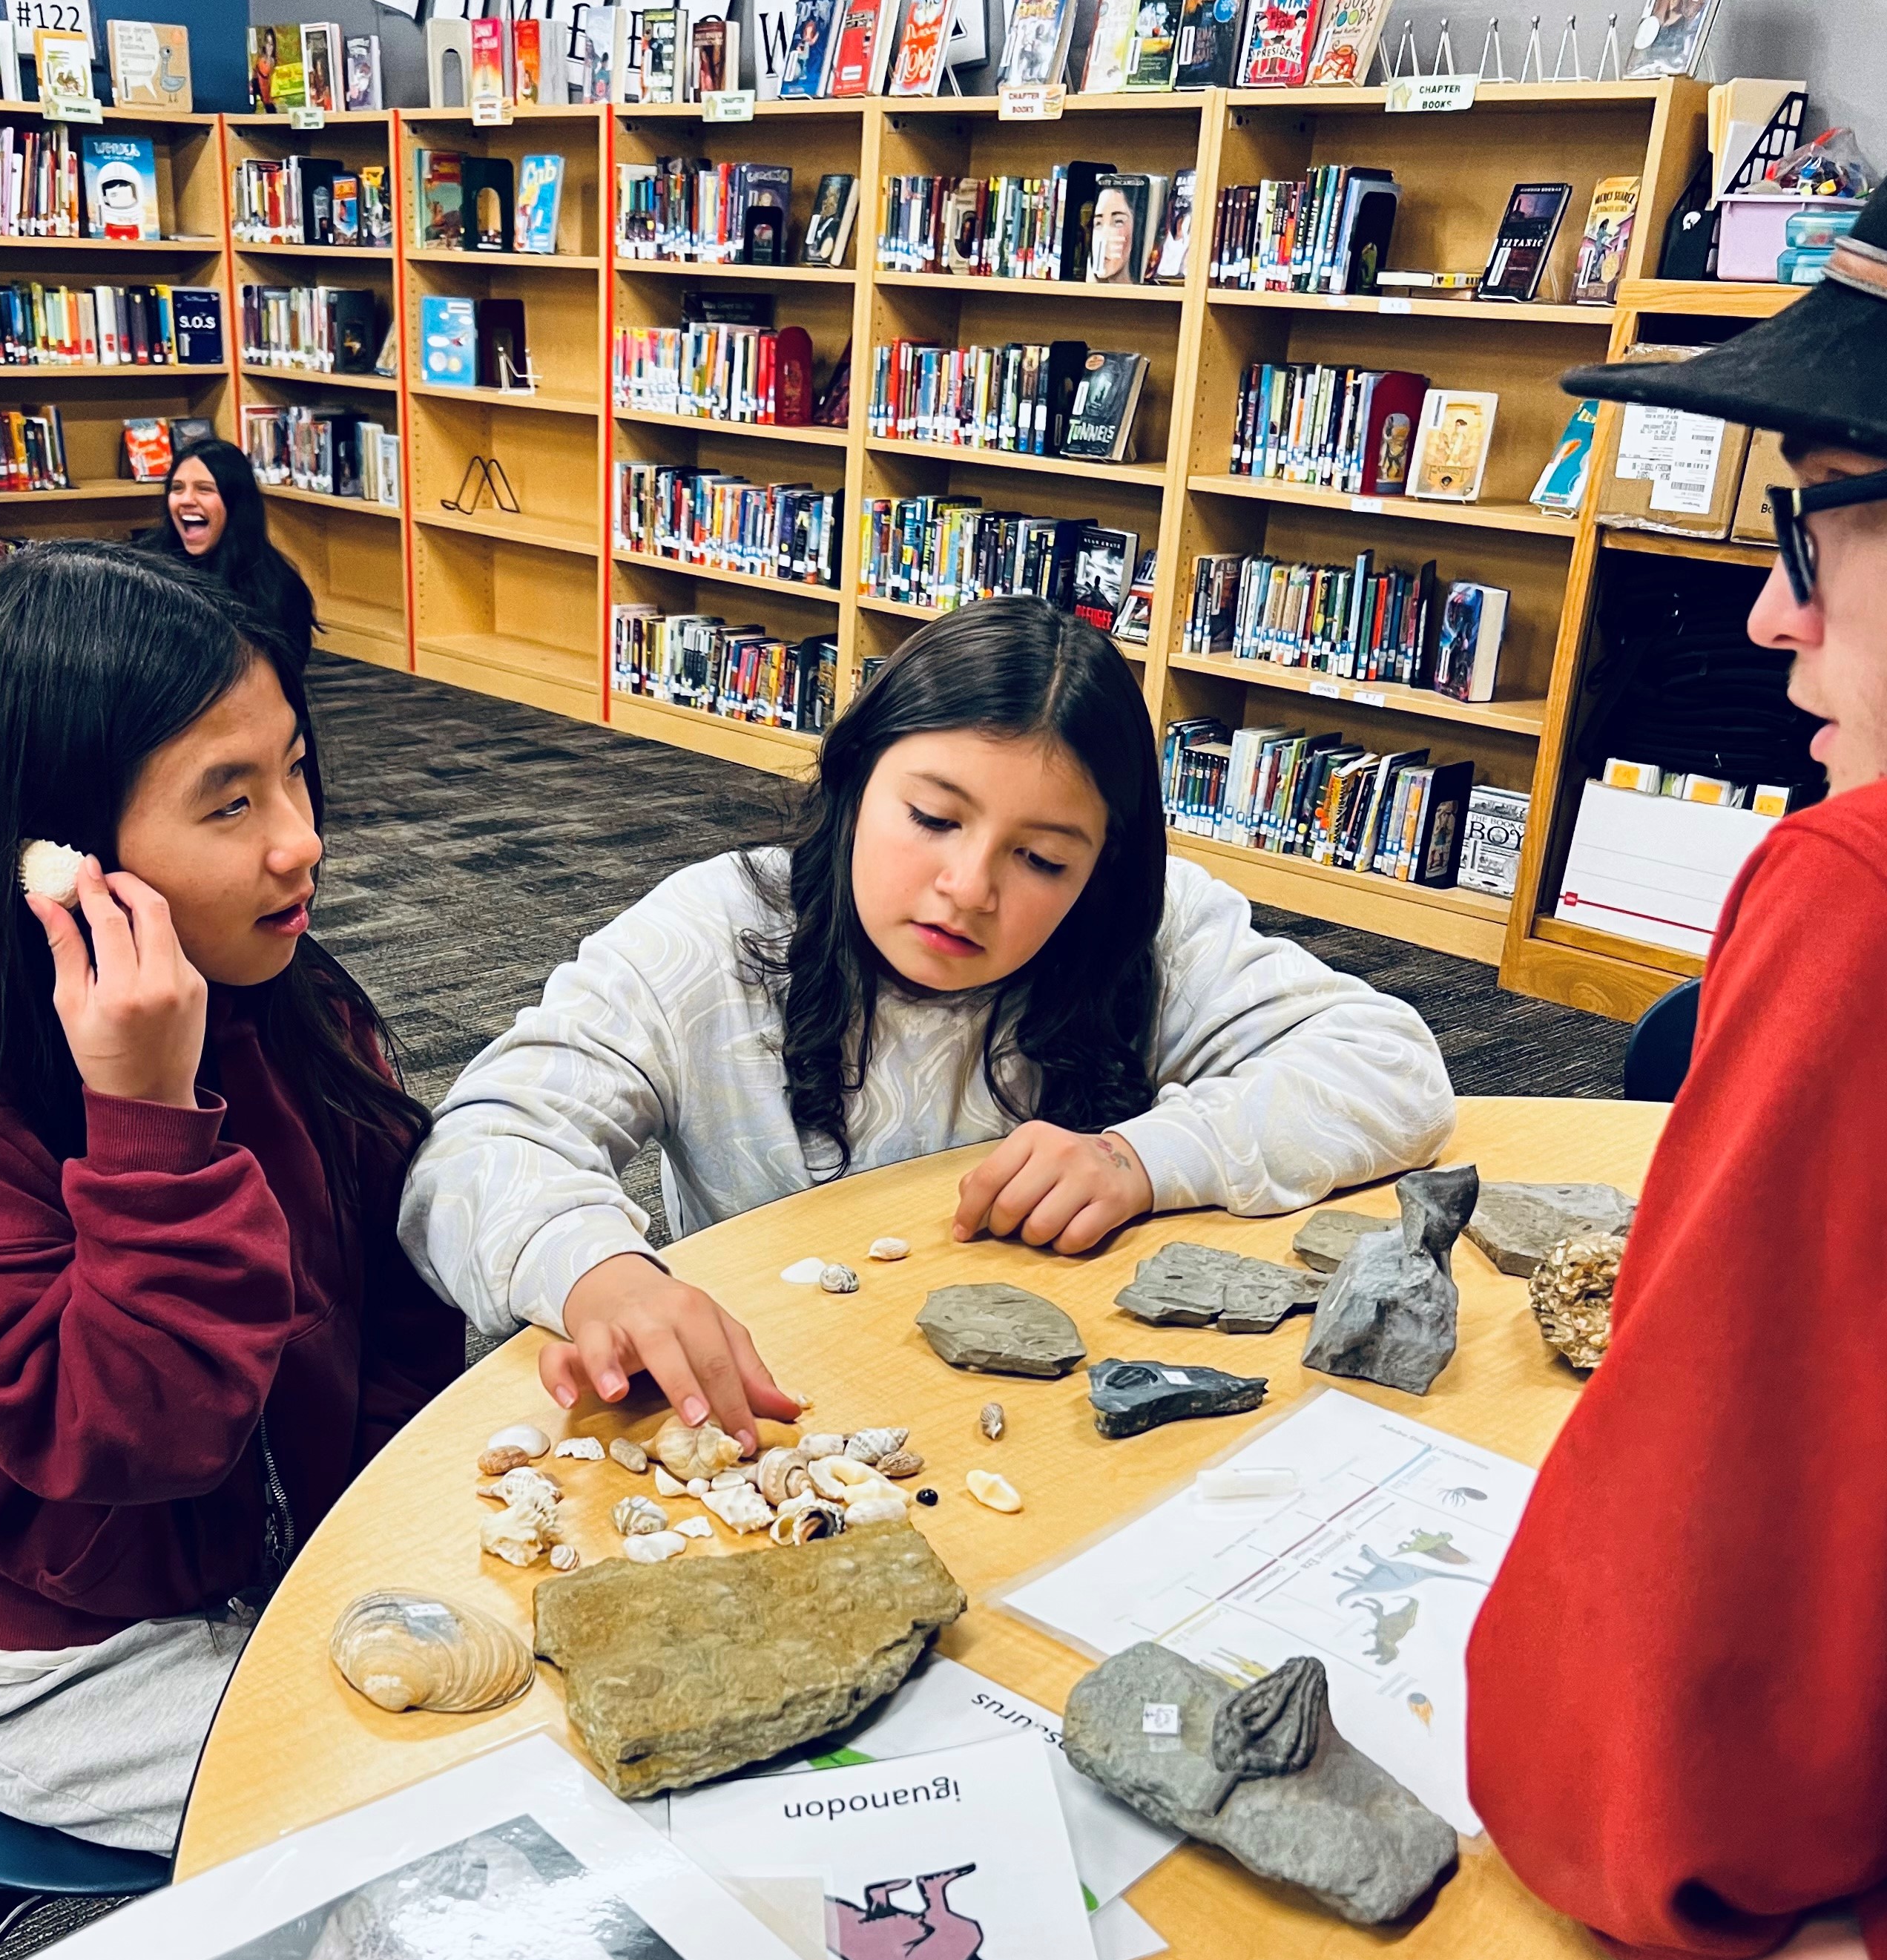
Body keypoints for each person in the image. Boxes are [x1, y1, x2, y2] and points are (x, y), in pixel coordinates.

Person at [1449, 180, 1887, 1960]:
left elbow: (1634, 1763)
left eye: (1813, 520)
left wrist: (1792, 1935)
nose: (1766, 619)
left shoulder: (1858, 889)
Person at [0, 545, 460, 1855]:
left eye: (295, 770)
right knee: (460, 1814)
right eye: (229, 802)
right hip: (74, 1661)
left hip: (301, 1560)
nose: (300, 839)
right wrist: (146, 1122)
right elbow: (138, 1437)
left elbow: (393, 1307)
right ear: (52, 860)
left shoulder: (293, 1008)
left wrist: (387, 1532)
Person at [401, 594, 1455, 1445]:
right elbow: (482, 1141)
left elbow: (1393, 1073)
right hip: (781, 1410)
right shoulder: (714, 932)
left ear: (1101, 871)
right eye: (934, 818)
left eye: (1042, 860)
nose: (968, 888)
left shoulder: (1151, 932)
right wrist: (600, 1271)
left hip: (1071, 1417)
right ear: (857, 778)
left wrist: (1144, 1156)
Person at [140, 438, 315, 674]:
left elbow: (283, 680)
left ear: (235, 503)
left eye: (205, 489)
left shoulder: (277, 588)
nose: (186, 500)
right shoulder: (147, 568)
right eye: (177, 488)